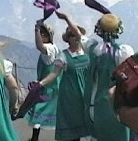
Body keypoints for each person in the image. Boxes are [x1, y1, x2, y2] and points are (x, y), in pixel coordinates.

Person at [38, 11, 90, 141]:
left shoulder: (88, 52)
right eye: (72, 35)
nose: (75, 37)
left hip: (86, 95)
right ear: (68, 39)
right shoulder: (63, 55)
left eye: (77, 34)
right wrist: (41, 83)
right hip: (69, 96)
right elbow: (55, 73)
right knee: (71, 128)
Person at [81, 13, 134, 141]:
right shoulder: (123, 52)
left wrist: (66, 19)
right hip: (117, 103)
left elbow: (80, 37)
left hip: (96, 103)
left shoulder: (94, 49)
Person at [25, 19, 60, 141]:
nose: (40, 36)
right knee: (48, 113)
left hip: (46, 87)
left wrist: (36, 29)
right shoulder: (55, 48)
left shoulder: (48, 49)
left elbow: (39, 46)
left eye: (42, 34)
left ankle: (35, 138)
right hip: (52, 86)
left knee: (39, 112)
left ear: (47, 36)